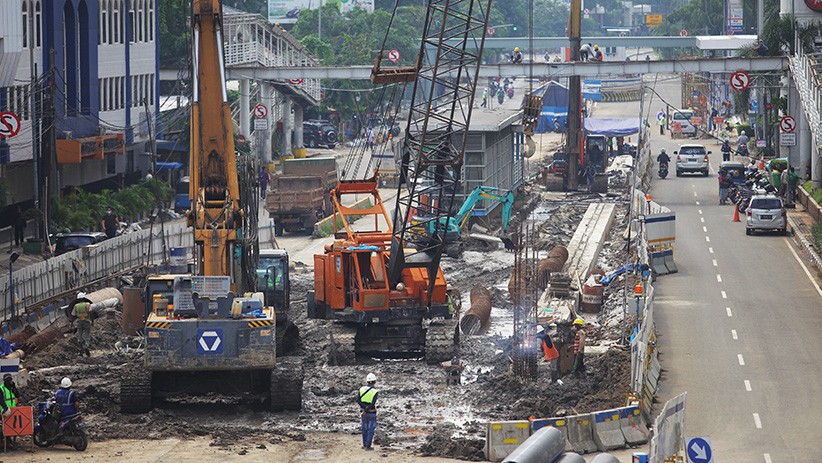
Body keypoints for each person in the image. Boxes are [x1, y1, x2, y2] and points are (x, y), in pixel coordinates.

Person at [357, 373, 379, 451]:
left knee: (364, 429)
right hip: (371, 412)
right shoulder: (375, 391)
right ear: (374, 381)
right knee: (371, 429)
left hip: (363, 412)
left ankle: (364, 444)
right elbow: (373, 403)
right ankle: (368, 446)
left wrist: (364, 409)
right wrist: (367, 409)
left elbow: (358, 400)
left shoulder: (361, 389)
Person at [72, 293, 92, 357]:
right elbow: (91, 312)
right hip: (86, 321)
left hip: (79, 322)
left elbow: (73, 315)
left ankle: (81, 350)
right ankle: (86, 346)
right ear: (84, 298)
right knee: (87, 335)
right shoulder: (87, 304)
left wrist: (72, 323)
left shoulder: (76, 306)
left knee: (79, 336)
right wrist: (93, 321)